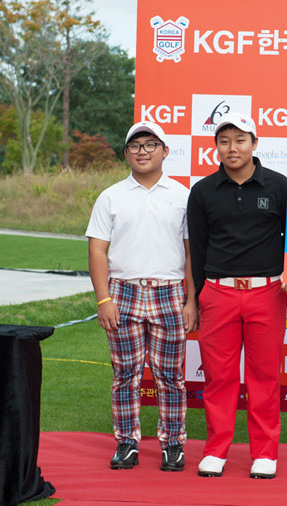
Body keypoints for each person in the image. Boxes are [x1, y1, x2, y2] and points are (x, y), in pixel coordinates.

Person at [187, 112, 287, 479]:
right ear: (216, 146)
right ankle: (215, 450)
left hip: (267, 292)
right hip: (217, 292)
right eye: (224, 141)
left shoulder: (279, 186)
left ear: (254, 143)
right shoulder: (203, 191)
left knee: (263, 376)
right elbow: (196, 249)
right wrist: (196, 297)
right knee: (218, 377)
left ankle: (264, 453)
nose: (231, 148)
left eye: (239, 140)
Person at [87, 121, 198, 472]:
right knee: (125, 374)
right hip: (123, 292)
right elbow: (97, 250)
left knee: (171, 377)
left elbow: (192, 252)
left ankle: (173, 444)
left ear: (165, 151)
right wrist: (104, 299)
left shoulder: (183, 196)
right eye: (135, 146)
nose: (143, 151)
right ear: (126, 154)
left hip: (170, 292)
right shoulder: (111, 196)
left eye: (151, 144)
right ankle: (127, 442)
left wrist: (191, 301)